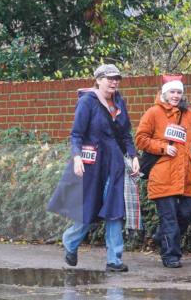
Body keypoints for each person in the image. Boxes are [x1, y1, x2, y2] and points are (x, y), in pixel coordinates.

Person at [47, 64, 139, 272]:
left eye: (117, 79)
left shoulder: (119, 102)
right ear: (98, 80)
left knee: (115, 210)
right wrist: (76, 157)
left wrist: (133, 155)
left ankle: (114, 260)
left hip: (115, 164)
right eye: (109, 78)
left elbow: (126, 134)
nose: (114, 82)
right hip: (92, 165)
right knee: (89, 209)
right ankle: (70, 241)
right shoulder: (87, 102)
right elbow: (76, 134)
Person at [135, 76, 191, 268]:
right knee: (169, 218)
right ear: (164, 93)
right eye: (172, 92)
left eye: (179, 92)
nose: (176, 96)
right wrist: (163, 147)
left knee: (188, 211)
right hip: (162, 174)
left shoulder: (189, 115)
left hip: (185, 175)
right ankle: (171, 256)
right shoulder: (153, 113)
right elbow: (140, 139)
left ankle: (161, 235)